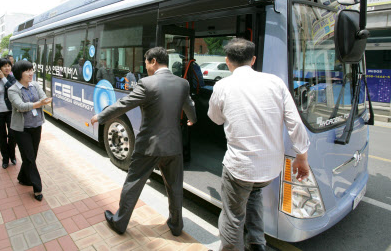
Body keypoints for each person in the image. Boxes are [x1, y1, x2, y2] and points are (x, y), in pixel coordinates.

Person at [207, 38, 310, 251]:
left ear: (227, 61)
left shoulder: (222, 86)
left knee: (233, 217)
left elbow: (215, 119)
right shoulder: (275, 83)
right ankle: (257, 244)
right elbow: (295, 122)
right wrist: (302, 158)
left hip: (239, 168)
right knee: (254, 196)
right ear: (253, 60)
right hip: (270, 169)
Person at [91, 47, 197, 236]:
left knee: (133, 183)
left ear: (154, 61)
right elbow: (189, 105)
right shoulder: (182, 83)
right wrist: (192, 119)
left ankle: (119, 222)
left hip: (149, 145)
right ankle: (176, 225)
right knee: (174, 187)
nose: (146, 66)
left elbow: (124, 104)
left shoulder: (147, 83)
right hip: (173, 145)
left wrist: (101, 116)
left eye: (147, 62)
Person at [8, 60, 52, 201]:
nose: (31, 73)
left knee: (31, 156)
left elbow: (43, 96)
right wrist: (39, 103)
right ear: (19, 73)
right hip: (22, 129)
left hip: (36, 125)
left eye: (31, 70)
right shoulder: (13, 89)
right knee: (29, 158)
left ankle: (22, 177)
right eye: (27, 71)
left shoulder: (35, 85)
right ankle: (37, 188)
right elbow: (20, 106)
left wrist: (44, 100)